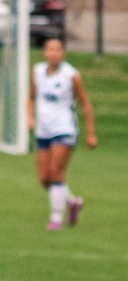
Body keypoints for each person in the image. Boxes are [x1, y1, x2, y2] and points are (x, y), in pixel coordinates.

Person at [31, 37, 95, 231]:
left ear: (62, 53)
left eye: (57, 50)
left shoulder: (70, 75)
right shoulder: (37, 71)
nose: (53, 53)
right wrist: (29, 117)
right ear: (45, 52)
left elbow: (85, 103)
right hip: (43, 129)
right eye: (49, 49)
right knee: (45, 178)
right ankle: (72, 201)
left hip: (64, 129)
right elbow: (30, 97)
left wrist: (90, 133)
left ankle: (56, 218)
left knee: (57, 173)